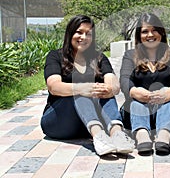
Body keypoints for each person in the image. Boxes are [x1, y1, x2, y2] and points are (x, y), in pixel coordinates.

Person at [40, 15, 134, 156]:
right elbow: (54, 87)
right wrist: (84, 88)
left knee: (104, 90)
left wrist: (108, 88)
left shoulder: (99, 58)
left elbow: (113, 84)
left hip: (84, 125)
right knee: (81, 92)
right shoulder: (55, 56)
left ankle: (117, 134)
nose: (83, 37)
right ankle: (98, 137)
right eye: (79, 32)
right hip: (58, 122)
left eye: (88, 34)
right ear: (70, 33)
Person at [120, 13, 170, 155]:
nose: (150, 34)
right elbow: (125, 80)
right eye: (145, 31)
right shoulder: (130, 55)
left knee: (168, 99)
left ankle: (164, 136)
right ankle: (142, 135)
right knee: (136, 102)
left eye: (154, 30)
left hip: (169, 110)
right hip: (136, 109)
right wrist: (134, 91)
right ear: (139, 35)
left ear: (161, 32)